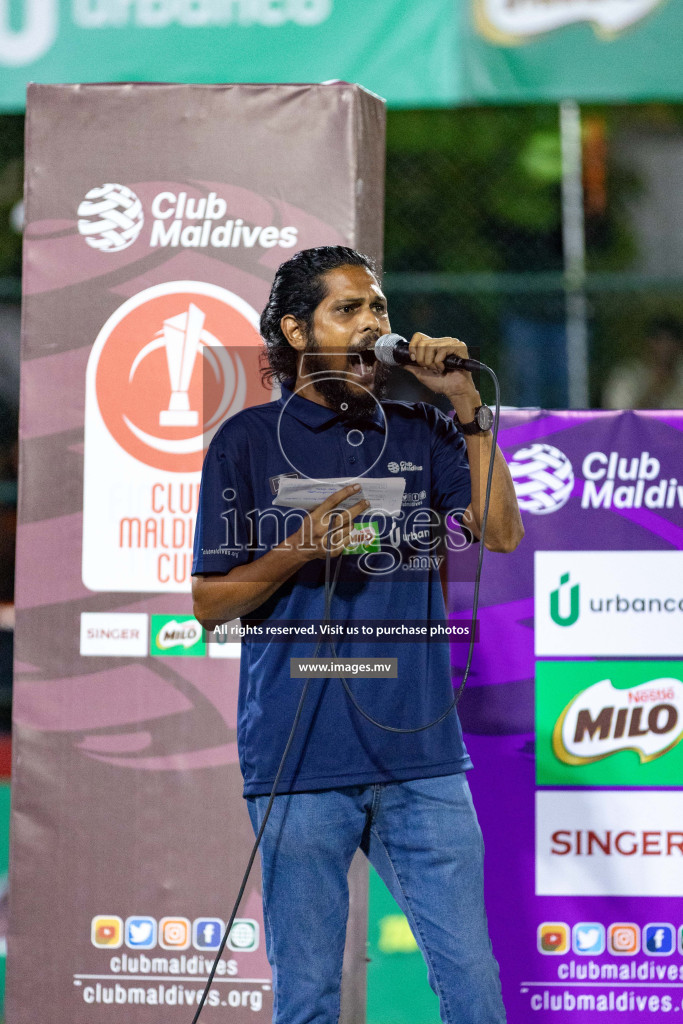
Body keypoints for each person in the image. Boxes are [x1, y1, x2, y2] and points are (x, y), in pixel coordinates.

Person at [192, 246, 524, 1024]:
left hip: (422, 757)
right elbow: (209, 604)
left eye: (377, 308)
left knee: (473, 988)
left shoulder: (423, 430)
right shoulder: (244, 442)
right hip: (298, 759)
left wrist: (467, 409)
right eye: (350, 310)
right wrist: (300, 546)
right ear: (296, 331)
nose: (375, 323)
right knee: (307, 998)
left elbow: (499, 532)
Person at [602, 316, 683, 410]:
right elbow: (619, 419)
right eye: (659, 340)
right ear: (648, 343)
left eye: (672, 340)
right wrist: (655, 391)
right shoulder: (626, 376)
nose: (666, 347)